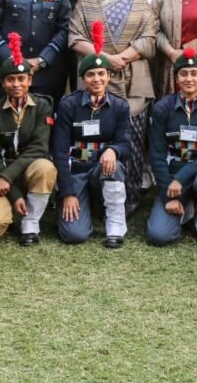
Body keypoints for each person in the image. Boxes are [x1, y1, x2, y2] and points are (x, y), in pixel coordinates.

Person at [69, 0, 158, 214]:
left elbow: (150, 36)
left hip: (133, 81)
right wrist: (106, 58)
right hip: (96, 80)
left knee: (131, 139)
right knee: (96, 138)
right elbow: (75, 36)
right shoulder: (86, 0)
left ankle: (128, 200)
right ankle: (96, 200)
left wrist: (125, 57)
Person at [52, 23, 132, 247]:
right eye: (90, 75)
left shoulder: (119, 106)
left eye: (101, 74)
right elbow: (59, 151)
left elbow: (126, 143)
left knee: (114, 166)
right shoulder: (69, 105)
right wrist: (67, 192)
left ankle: (115, 222)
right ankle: (79, 206)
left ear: (109, 76)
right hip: (76, 171)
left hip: (103, 170)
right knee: (74, 235)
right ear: (83, 79)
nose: (96, 79)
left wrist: (112, 150)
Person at [0, 33, 58, 245]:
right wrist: (13, 193)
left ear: (30, 80)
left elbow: (39, 147)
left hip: (27, 168)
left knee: (45, 167)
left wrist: (8, 177)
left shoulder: (43, 105)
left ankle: (30, 222)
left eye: (21, 79)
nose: (16, 84)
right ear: (3, 83)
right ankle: (13, 209)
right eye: (10, 79)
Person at [145, 48, 197, 246]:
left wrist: (181, 179)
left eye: (194, 74)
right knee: (159, 236)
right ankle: (187, 208)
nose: (188, 79)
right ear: (176, 78)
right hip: (172, 178)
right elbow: (156, 154)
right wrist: (168, 193)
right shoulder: (162, 108)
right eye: (183, 74)